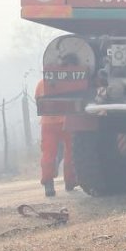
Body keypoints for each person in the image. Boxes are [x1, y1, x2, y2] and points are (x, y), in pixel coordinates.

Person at [37, 65, 77, 197]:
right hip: (66, 122)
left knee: (48, 153)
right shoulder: (68, 83)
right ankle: (70, 182)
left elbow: (38, 101)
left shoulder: (41, 84)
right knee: (70, 152)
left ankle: (48, 184)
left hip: (48, 124)